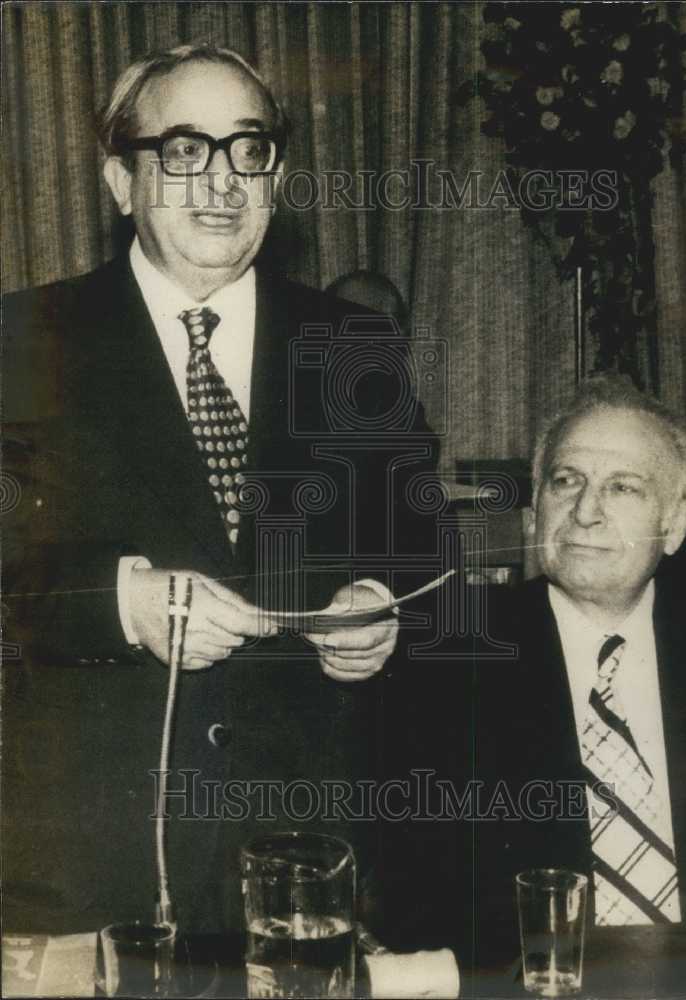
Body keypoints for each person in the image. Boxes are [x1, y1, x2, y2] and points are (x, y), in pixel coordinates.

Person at [2, 44, 438, 937]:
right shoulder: (22, 340)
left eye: (249, 148)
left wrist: (382, 601)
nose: (222, 182)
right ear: (122, 180)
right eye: (184, 150)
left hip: (311, 865)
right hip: (92, 866)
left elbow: (421, 538)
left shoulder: (352, 344)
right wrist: (121, 602)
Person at [382, 376, 686, 985]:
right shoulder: (442, 661)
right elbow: (420, 901)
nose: (586, 511)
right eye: (566, 480)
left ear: (676, 523)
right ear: (533, 510)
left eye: (622, 487)